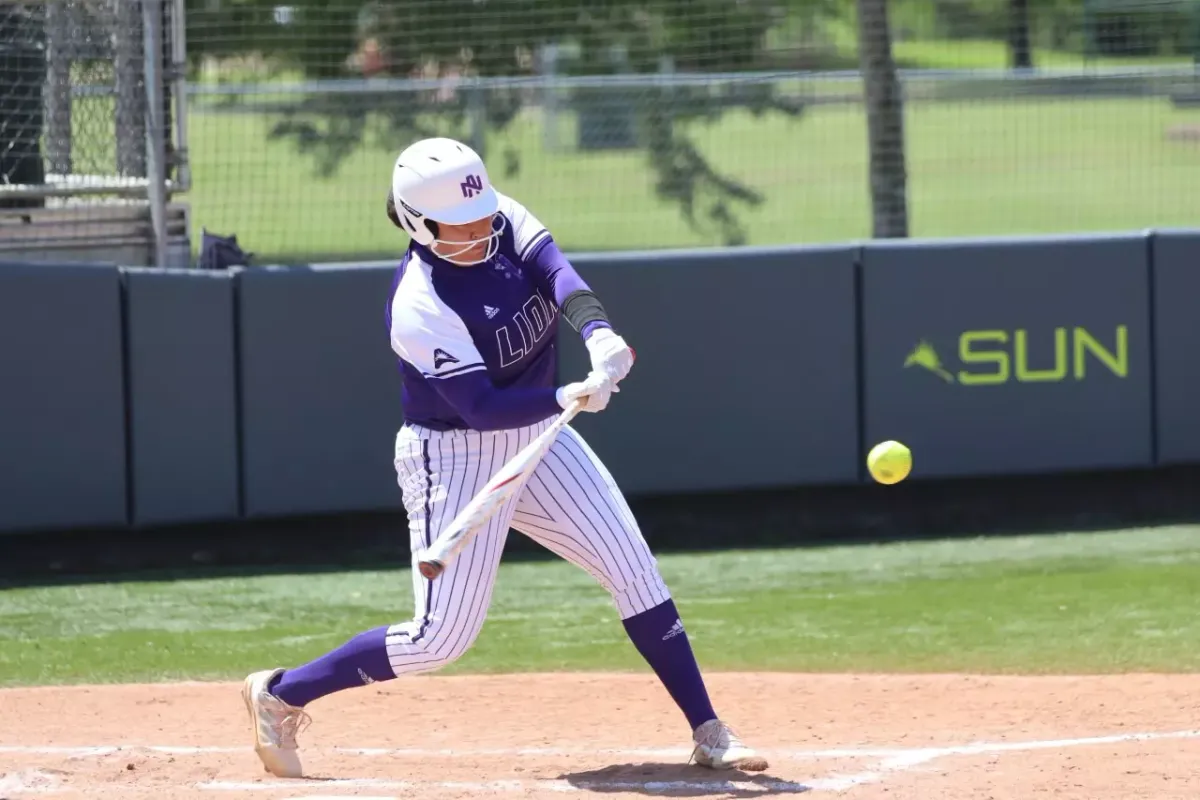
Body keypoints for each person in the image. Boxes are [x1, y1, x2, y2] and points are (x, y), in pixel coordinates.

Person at [241, 137, 766, 778]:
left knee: (633, 568)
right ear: (417, 223)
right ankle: (280, 694)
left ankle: (708, 729)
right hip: (455, 454)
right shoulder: (418, 306)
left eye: (481, 215)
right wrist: (568, 392)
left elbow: (558, 275)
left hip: (542, 435)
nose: (478, 231)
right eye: (458, 226)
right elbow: (483, 408)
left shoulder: (499, 217)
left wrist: (599, 333)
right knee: (440, 640)